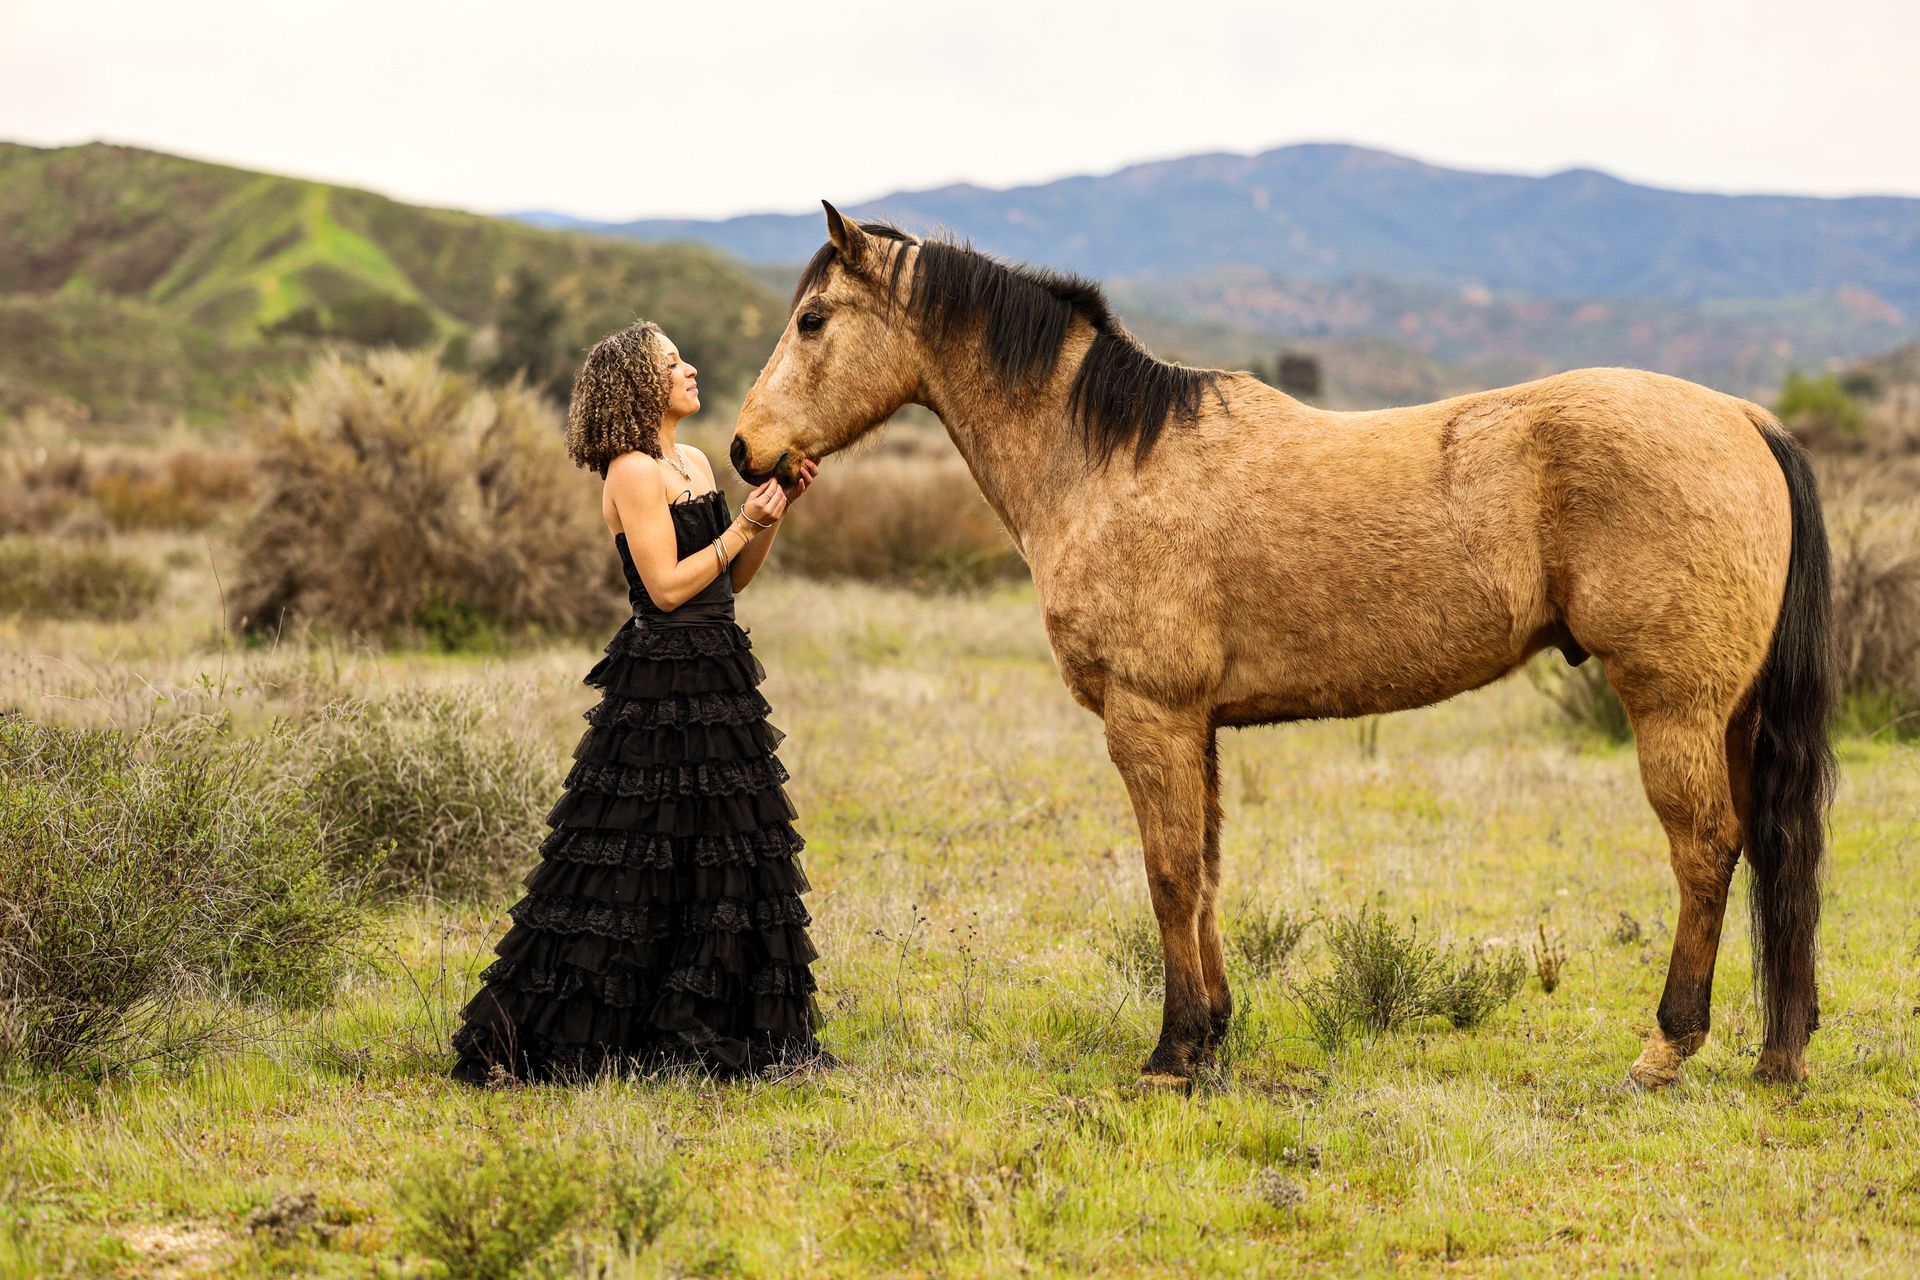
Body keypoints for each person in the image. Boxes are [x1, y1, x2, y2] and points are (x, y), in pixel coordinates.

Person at [448, 319, 829, 1083]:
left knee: (727, 855)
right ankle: (568, 1034)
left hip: (722, 680)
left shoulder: (692, 460)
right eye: (672, 362)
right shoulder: (631, 470)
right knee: (631, 859)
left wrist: (770, 513)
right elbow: (664, 589)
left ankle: (713, 1018)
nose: (689, 368)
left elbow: (732, 579)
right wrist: (739, 529)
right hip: (659, 686)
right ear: (639, 386)